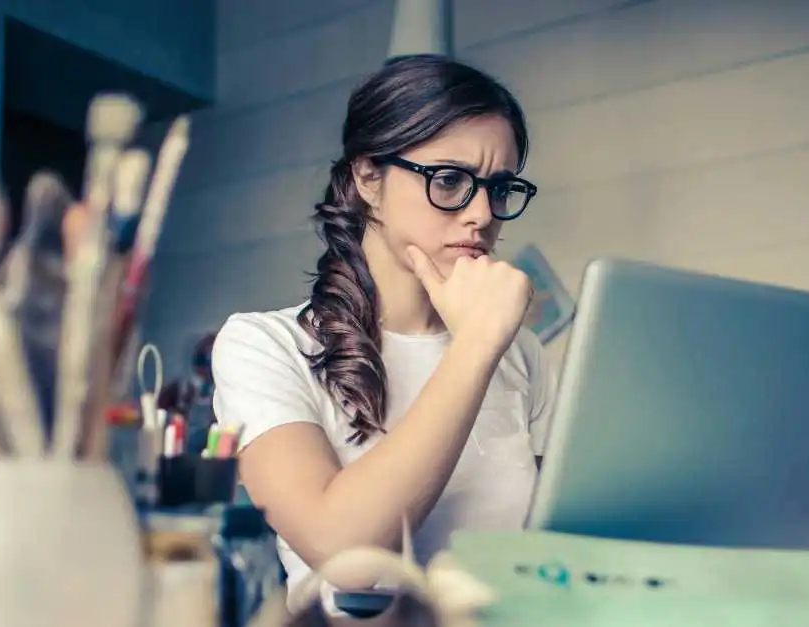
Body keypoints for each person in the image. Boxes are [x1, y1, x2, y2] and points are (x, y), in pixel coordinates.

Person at [211, 54, 557, 600]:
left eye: (499, 187)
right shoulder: (263, 345)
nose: (483, 215)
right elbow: (345, 559)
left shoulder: (524, 355)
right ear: (368, 176)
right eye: (448, 180)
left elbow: (548, 556)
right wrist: (476, 346)